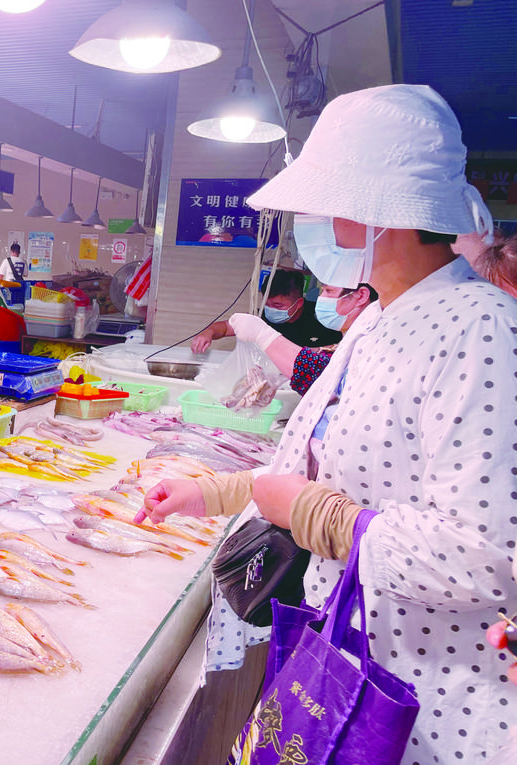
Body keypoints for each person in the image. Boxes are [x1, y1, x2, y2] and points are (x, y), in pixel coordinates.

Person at [140, 85, 516, 762]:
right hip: (339, 664)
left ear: (382, 213)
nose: (320, 226)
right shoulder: (375, 318)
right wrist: (214, 493)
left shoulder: (482, 326)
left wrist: (326, 518)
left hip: (423, 712)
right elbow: (314, 464)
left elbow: (487, 557)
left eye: (330, 207)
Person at [228, 282, 377, 394]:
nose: (321, 298)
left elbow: (322, 378)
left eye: (329, 291)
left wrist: (263, 335)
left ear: (361, 295)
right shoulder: (354, 336)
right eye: (322, 291)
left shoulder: (374, 341)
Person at [190, 269, 342, 353]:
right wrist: (208, 333)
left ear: (299, 303)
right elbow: (224, 328)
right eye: (267, 304)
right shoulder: (261, 316)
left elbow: (343, 346)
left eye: (278, 305)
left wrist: (318, 351)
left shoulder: (322, 317)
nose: (271, 310)